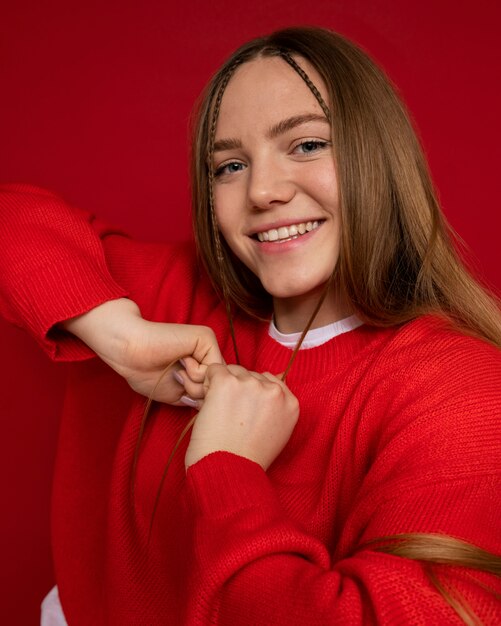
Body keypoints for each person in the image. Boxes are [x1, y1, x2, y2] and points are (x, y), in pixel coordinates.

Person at [1, 26, 500, 626]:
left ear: (378, 158)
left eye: (308, 145)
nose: (261, 191)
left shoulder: (462, 390)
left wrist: (227, 471)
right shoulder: (172, 297)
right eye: (229, 165)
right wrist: (122, 338)